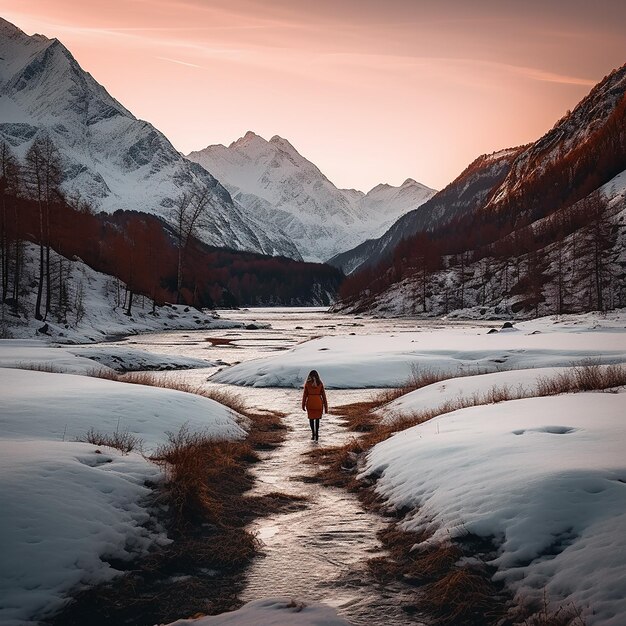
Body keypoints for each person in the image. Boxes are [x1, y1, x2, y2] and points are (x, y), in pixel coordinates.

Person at [302, 369, 328, 441]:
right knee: (317, 419)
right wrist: (326, 408)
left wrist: (303, 405)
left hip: (310, 403)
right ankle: (317, 434)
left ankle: (313, 433)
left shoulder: (307, 383)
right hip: (318, 403)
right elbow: (324, 396)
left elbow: (305, 395)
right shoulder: (320, 383)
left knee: (311, 419)